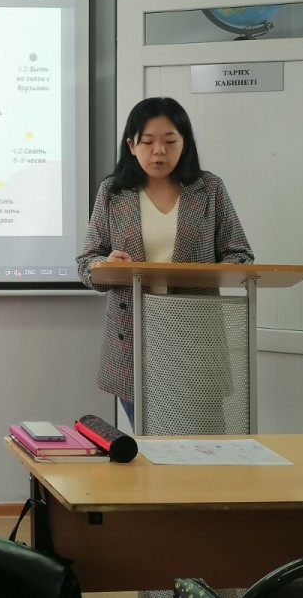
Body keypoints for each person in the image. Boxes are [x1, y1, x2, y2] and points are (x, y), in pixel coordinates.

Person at [77, 97, 253, 431]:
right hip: (133, 339)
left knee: (204, 444)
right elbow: (87, 262)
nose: (159, 151)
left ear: (185, 143)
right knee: (149, 445)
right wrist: (106, 264)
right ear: (131, 145)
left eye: (170, 141)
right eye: (147, 142)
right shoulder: (113, 192)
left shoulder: (209, 188)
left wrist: (210, 272)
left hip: (196, 336)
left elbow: (240, 254)